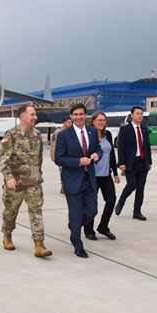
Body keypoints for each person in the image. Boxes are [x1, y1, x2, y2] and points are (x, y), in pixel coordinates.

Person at [0, 105, 52, 258]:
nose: (35, 117)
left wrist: (38, 174)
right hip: (15, 184)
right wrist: (8, 177)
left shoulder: (36, 135)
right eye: (32, 114)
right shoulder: (11, 134)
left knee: (36, 213)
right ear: (23, 116)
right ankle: (7, 235)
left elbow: (39, 158)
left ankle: (39, 245)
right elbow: (4, 159)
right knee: (10, 212)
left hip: (33, 184)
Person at [55, 103, 102, 258]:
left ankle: (74, 227)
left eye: (81, 114)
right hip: (73, 180)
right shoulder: (64, 135)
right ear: (71, 116)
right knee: (75, 213)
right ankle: (77, 244)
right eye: (75, 114)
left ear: (85, 115)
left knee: (92, 211)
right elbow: (59, 158)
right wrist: (78, 162)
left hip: (89, 179)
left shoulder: (92, 132)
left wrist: (97, 155)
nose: (78, 117)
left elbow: (98, 148)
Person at [83, 111, 120, 241]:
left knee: (111, 200)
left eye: (104, 120)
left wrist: (115, 172)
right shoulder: (88, 135)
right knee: (91, 203)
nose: (102, 123)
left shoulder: (107, 135)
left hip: (105, 174)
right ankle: (88, 230)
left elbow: (111, 154)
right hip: (92, 175)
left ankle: (103, 226)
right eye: (99, 120)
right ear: (92, 121)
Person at [116, 106, 152, 221]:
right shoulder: (125, 129)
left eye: (141, 114)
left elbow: (147, 146)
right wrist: (121, 163)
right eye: (137, 114)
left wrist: (149, 161)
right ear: (132, 115)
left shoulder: (144, 129)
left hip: (143, 162)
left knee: (140, 188)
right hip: (131, 162)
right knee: (131, 185)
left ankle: (137, 211)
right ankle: (121, 201)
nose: (140, 116)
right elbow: (121, 147)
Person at [50, 117, 72, 194]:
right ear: (64, 123)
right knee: (63, 171)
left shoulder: (72, 131)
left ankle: (66, 187)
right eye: (68, 122)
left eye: (71, 122)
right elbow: (53, 144)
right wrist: (53, 155)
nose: (70, 124)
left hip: (70, 155)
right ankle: (64, 187)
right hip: (61, 155)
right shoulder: (58, 132)